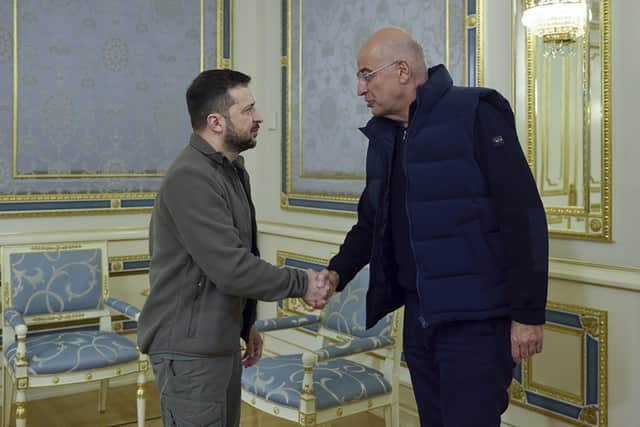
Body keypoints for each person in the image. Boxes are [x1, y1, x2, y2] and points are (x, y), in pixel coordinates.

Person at [324, 28, 549, 426]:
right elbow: (371, 223)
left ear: (403, 70)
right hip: (421, 319)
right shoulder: (385, 138)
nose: (360, 89)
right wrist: (335, 273)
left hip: (476, 323)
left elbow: (523, 215)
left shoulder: (477, 111)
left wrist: (528, 314)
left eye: (366, 74)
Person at [137, 69, 332, 427]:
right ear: (215, 121)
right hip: (188, 349)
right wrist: (303, 283)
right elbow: (231, 268)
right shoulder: (191, 177)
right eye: (248, 110)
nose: (259, 118)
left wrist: (246, 324)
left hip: (217, 339)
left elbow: (240, 255)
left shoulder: (231, 170)